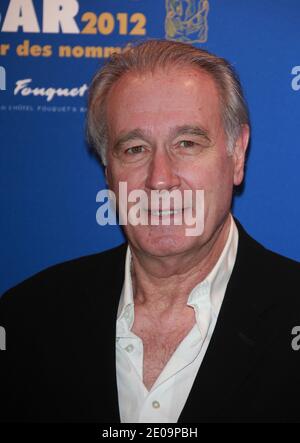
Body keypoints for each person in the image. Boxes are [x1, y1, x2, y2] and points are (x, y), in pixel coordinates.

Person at [0, 40, 300, 423]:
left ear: (236, 154)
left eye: (187, 143)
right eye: (135, 149)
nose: (160, 180)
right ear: (108, 169)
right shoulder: (27, 318)